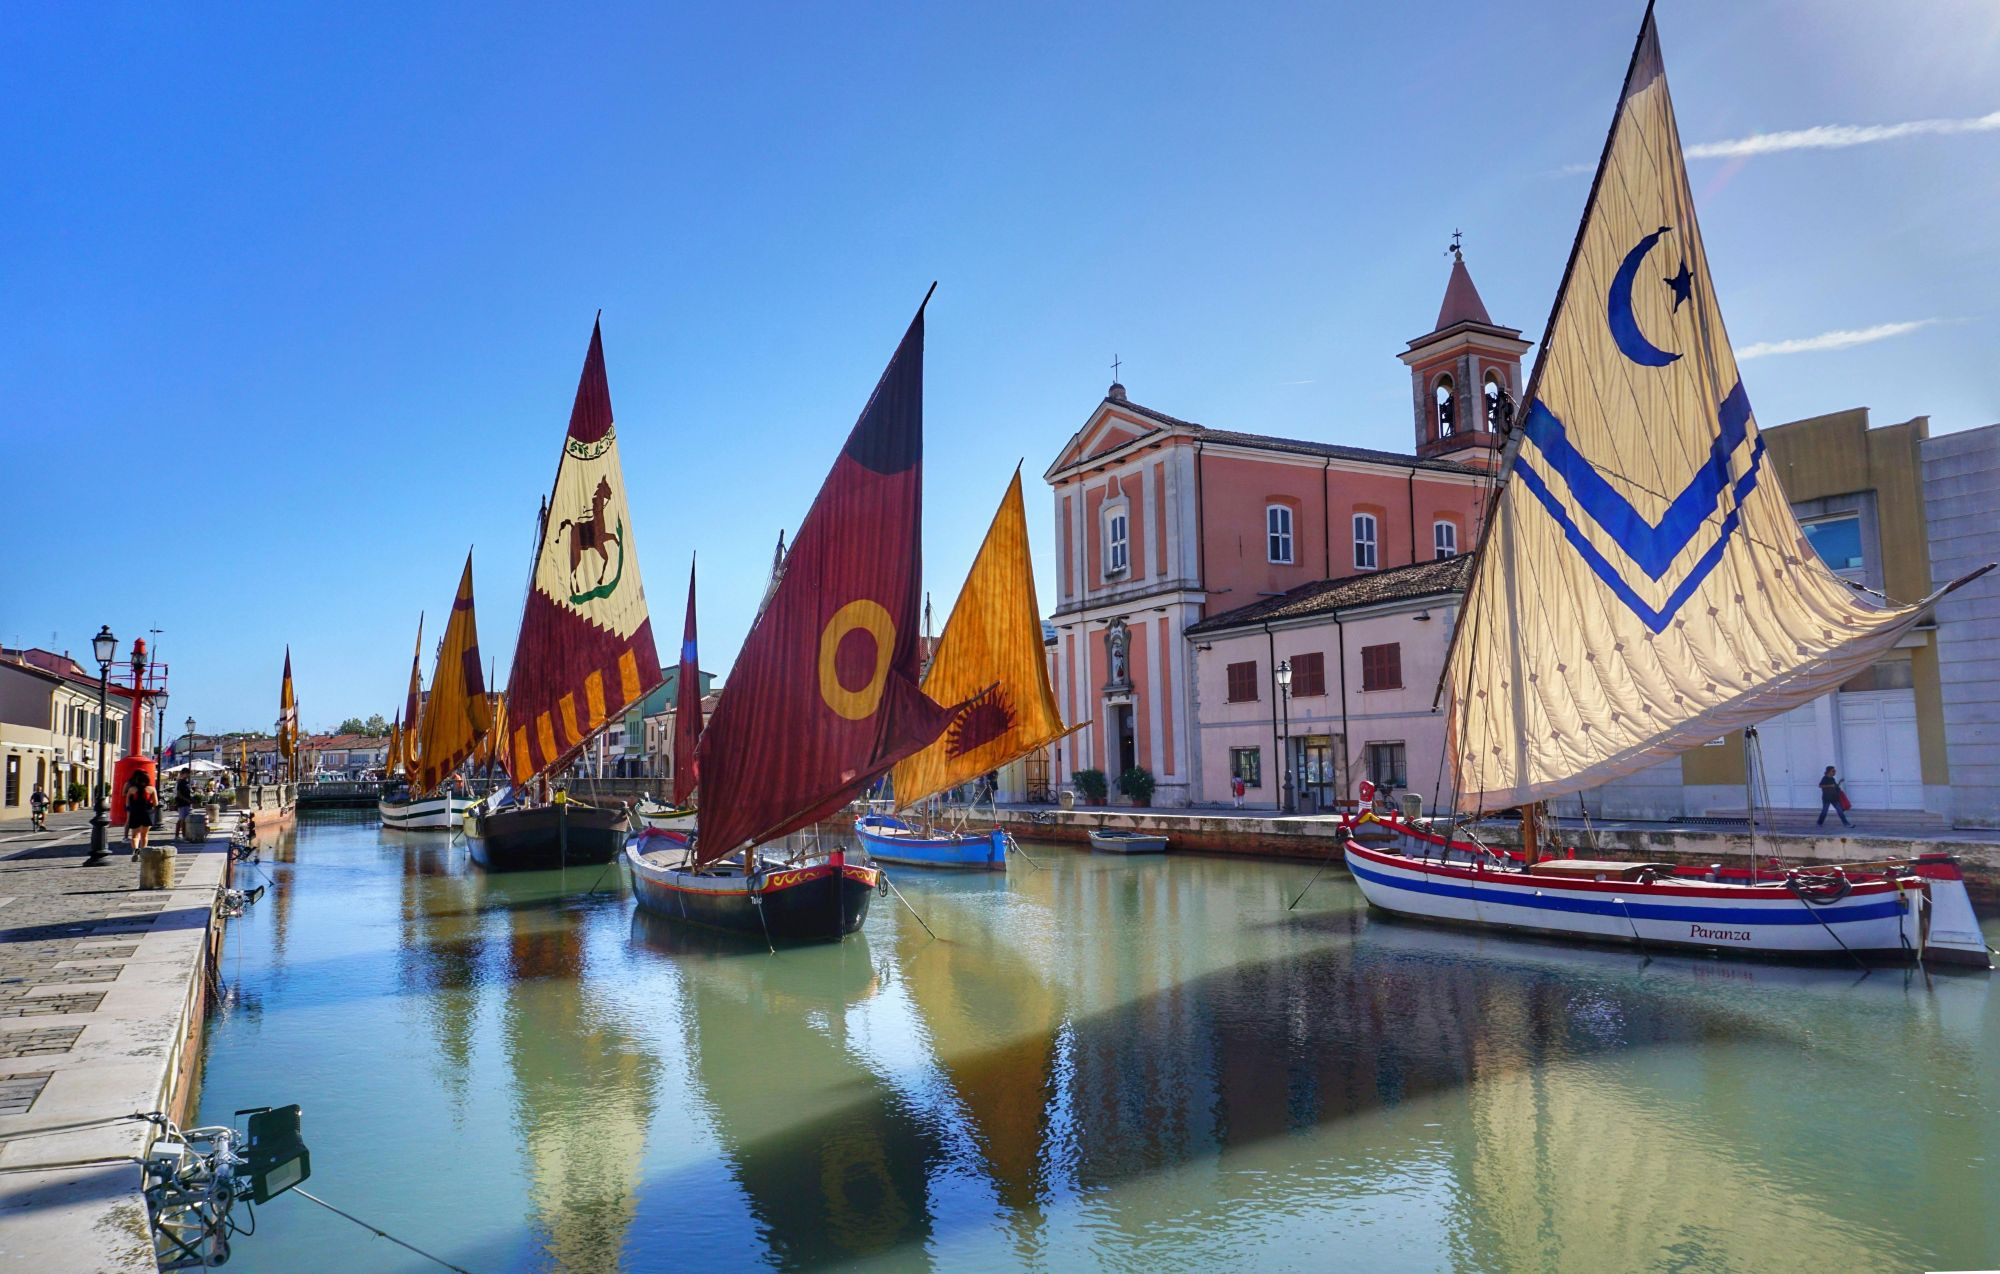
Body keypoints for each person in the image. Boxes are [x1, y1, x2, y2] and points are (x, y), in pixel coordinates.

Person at [126, 772, 157, 852]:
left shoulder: (131, 789)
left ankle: (136, 850)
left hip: (135, 813)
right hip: (147, 813)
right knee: (144, 835)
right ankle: (143, 852)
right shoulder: (151, 789)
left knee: (134, 835)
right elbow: (156, 803)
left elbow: (127, 803)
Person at [173, 774, 195, 839]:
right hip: (182, 803)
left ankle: (177, 835)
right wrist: (187, 800)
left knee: (181, 819)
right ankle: (184, 836)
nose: (189, 775)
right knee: (183, 820)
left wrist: (190, 799)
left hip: (185, 803)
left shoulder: (186, 783)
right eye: (188, 773)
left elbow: (187, 793)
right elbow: (179, 794)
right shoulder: (181, 782)